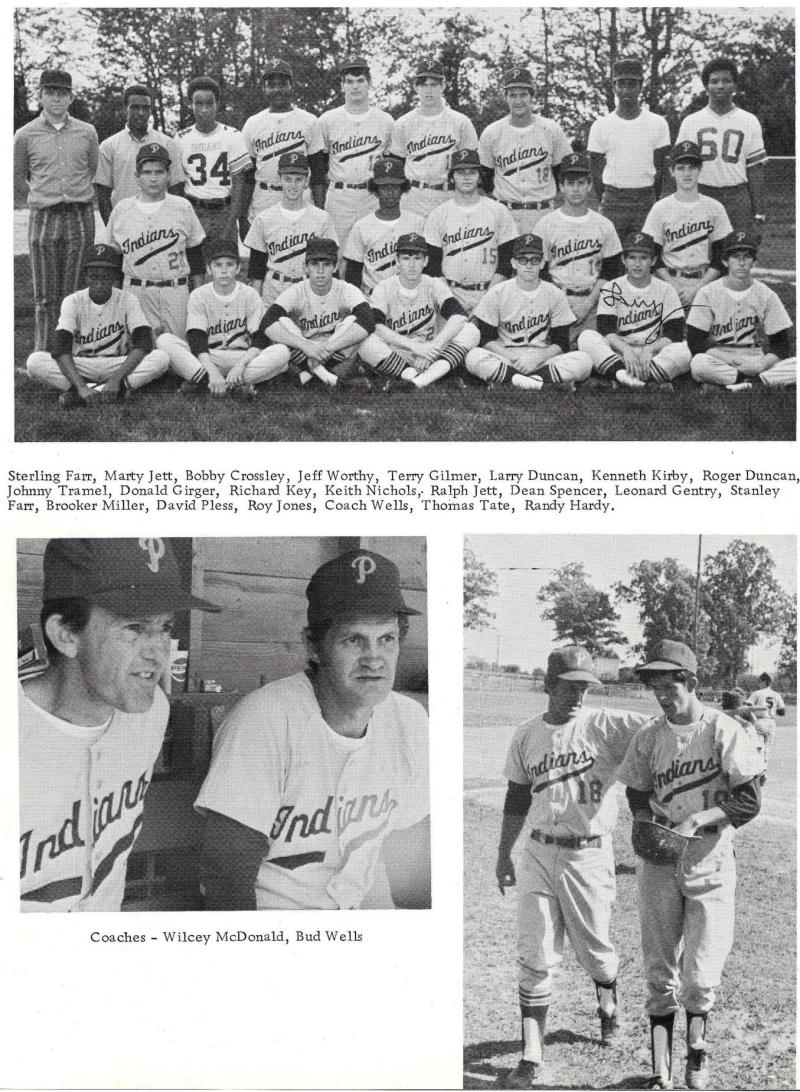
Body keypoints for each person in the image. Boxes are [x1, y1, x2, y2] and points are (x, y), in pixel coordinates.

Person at [195, 548, 430, 911]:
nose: (374, 658)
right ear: (313, 646)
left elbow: (409, 853)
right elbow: (226, 876)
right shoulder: (265, 719)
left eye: (387, 639)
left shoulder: (410, 721)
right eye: (354, 639)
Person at [19, 537, 219, 912]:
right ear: (65, 634)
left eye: (165, 627)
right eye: (134, 627)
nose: (159, 651)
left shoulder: (151, 712)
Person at [495, 646, 650, 1088]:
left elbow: (664, 730)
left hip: (590, 854)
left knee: (597, 953)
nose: (579, 694)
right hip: (539, 853)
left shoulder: (608, 725)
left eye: (586, 686)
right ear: (547, 685)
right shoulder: (526, 734)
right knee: (536, 954)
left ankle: (608, 1005)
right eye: (570, 686)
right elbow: (516, 798)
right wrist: (503, 853)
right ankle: (531, 1054)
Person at [617, 639, 765, 1090]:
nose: (662, 695)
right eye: (655, 686)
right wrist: (647, 820)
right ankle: (660, 1067)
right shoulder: (649, 736)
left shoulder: (723, 730)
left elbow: (749, 799)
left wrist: (701, 818)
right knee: (659, 971)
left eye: (670, 685)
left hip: (710, 862)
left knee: (700, 979)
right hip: (661, 862)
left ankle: (697, 1053)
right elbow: (637, 790)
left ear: (693, 682)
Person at [14, 68, 99, 353]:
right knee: (45, 295)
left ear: (71, 97)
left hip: (79, 215)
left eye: (62, 93)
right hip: (44, 217)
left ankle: (75, 352)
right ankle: (44, 355)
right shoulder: (25, 134)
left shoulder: (87, 132)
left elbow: (93, 169)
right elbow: (16, 177)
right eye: (49, 93)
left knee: (74, 291)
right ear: (39, 96)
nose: (56, 99)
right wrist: (41, 197)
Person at [25, 243, 169, 408]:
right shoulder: (73, 301)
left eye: (105, 277)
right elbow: (60, 349)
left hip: (116, 363)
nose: (99, 283)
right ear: (86, 276)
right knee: (35, 361)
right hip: (81, 363)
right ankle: (103, 392)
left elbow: (144, 343)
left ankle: (86, 394)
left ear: (115, 276)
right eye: (94, 277)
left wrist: (115, 380)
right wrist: (81, 386)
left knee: (161, 358)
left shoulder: (128, 299)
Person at [451, 232, 594, 391]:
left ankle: (512, 380)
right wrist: (514, 359)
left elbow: (561, 343)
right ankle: (540, 384)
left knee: (584, 360)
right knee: (473, 356)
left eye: (535, 260)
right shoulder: (498, 292)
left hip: (542, 358)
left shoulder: (555, 294)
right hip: (507, 356)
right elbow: (485, 339)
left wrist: (538, 358)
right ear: (513, 263)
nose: (529, 265)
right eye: (523, 259)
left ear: (542, 263)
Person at [156, 236, 290, 399]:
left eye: (230, 264)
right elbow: (196, 339)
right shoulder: (199, 295)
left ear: (238, 268)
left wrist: (240, 365)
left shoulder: (250, 294)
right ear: (209, 269)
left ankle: (203, 383)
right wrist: (213, 372)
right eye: (218, 265)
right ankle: (232, 385)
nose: (224, 270)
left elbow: (260, 338)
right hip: (209, 356)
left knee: (282, 352)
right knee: (164, 341)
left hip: (241, 357)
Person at [100, 142, 206, 337]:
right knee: (139, 353)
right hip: (135, 291)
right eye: (147, 173)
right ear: (137, 177)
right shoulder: (122, 209)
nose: (153, 178)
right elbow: (111, 259)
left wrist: (198, 296)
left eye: (159, 172)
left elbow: (195, 254)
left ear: (168, 176)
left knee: (179, 351)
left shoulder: (182, 207)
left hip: (176, 291)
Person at [259, 235, 375, 390]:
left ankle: (309, 375)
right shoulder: (297, 290)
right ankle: (330, 379)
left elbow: (368, 320)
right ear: (306, 267)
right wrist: (306, 346)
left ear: (335, 267)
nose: (320, 271)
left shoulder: (346, 289)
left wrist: (329, 348)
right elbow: (267, 322)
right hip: (304, 354)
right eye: (314, 264)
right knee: (281, 322)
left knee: (353, 321)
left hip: (336, 357)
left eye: (326, 264)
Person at [577, 232, 691, 388]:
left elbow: (674, 333)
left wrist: (650, 350)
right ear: (624, 260)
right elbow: (606, 329)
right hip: (619, 352)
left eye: (643, 258)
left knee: (685, 349)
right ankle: (644, 381)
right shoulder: (611, 287)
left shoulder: (666, 289)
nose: (637, 264)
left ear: (653, 260)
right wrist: (626, 350)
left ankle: (620, 378)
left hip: (653, 354)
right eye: (632, 257)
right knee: (587, 337)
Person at [358, 231, 468, 390]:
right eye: (406, 258)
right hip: (398, 351)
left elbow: (459, 316)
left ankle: (416, 381)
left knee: (471, 330)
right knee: (365, 341)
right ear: (397, 261)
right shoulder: (384, 287)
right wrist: (415, 348)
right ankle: (419, 376)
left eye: (417, 258)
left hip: (431, 349)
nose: (411, 264)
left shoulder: (434, 284)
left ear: (426, 261)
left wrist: (433, 347)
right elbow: (377, 326)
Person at [687, 230, 796, 390]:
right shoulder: (707, 293)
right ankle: (754, 383)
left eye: (747, 256)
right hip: (720, 357)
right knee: (699, 364)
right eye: (736, 257)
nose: (742, 262)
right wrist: (732, 362)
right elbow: (695, 341)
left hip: (754, 358)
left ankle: (737, 383)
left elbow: (781, 344)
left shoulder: (766, 294)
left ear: (754, 262)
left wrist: (761, 365)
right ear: (725, 261)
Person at [536, 151, 623, 343]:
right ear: (561, 186)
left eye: (581, 183)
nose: (576, 189)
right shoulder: (546, 223)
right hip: (556, 302)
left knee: (595, 353)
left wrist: (588, 303)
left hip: (593, 303)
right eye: (570, 183)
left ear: (590, 185)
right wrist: (560, 303)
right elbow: (540, 272)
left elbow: (611, 272)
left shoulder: (604, 224)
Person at [676, 58, 767, 232]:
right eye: (714, 81)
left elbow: (755, 169)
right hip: (701, 193)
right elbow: (681, 168)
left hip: (737, 196)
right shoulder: (691, 122)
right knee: (700, 253)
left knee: (738, 252)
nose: (720, 86)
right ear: (706, 86)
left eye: (726, 81)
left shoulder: (748, 120)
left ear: (734, 85)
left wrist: (759, 214)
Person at [424, 148, 518, 315]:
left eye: (472, 172)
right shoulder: (438, 215)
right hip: (449, 294)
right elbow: (432, 265)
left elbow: (506, 261)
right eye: (460, 172)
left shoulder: (499, 211)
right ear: (452, 177)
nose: (466, 176)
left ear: (480, 176)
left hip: (490, 293)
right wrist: (450, 303)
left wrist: (486, 302)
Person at [478, 67, 572, 234]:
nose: (518, 100)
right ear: (506, 97)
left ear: (532, 96)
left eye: (523, 94)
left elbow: (563, 170)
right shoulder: (492, 132)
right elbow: (485, 174)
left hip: (542, 213)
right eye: (512, 95)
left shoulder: (551, 129)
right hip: (506, 213)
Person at [642, 141, 731, 312]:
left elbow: (722, 255)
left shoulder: (715, 207)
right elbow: (651, 255)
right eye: (681, 168)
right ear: (671, 171)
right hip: (668, 283)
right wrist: (673, 285)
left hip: (705, 283)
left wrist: (698, 288)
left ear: (700, 170)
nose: (687, 174)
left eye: (692, 168)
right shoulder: (660, 208)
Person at [587, 58, 671, 239]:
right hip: (613, 201)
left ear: (641, 86)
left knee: (645, 253)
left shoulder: (657, 123)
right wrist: (610, 196)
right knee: (611, 257)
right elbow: (596, 170)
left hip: (645, 199)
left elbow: (660, 169)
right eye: (621, 84)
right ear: (614, 87)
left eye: (632, 84)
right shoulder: (601, 125)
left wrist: (650, 197)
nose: (626, 90)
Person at [318, 55, 395, 249]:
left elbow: (393, 164)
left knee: (375, 250)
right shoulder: (328, 120)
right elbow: (319, 165)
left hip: (372, 196)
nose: (355, 86)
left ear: (369, 83)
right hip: (339, 196)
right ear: (342, 86)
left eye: (360, 80)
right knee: (336, 253)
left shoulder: (385, 121)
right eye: (349, 82)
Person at [245, 152, 338, 307]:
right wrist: (256, 306)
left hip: (310, 289)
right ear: (279, 179)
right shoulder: (264, 218)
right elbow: (256, 270)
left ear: (306, 181)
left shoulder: (322, 218)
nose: (293, 185)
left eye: (298, 179)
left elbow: (331, 267)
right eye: (288, 179)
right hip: (274, 290)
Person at [389, 59, 478, 220]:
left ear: (443, 86)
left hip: (448, 195)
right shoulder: (403, 123)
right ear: (416, 87)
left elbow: (471, 166)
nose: (428, 90)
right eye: (423, 84)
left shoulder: (460, 122)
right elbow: (397, 165)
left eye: (434, 84)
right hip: (413, 196)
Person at [240, 59, 325, 227]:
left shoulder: (309, 121)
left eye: (282, 84)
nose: (277, 90)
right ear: (264, 89)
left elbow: (318, 174)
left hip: (300, 197)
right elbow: (247, 177)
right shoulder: (253, 123)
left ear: (291, 86)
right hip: (264, 197)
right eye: (271, 85)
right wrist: (242, 218)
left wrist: (320, 213)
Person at [95, 83, 184, 223]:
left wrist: (173, 222)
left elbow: (176, 189)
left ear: (151, 110)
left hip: (161, 222)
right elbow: (103, 195)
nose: (141, 113)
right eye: (135, 107)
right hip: (125, 222)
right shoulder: (109, 146)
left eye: (146, 108)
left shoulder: (167, 143)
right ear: (126, 109)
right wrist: (113, 230)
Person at [174, 76, 251, 238]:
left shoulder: (233, 135)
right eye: (198, 104)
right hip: (194, 210)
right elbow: (177, 186)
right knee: (196, 263)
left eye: (209, 104)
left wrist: (231, 223)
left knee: (225, 261)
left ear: (217, 104)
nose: (204, 110)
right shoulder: (181, 138)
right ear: (191, 104)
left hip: (224, 211)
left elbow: (239, 186)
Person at [343, 157, 424, 295]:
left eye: (395, 187)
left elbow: (427, 268)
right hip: (373, 298)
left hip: (410, 298)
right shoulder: (361, 226)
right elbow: (353, 273)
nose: (390, 192)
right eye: (384, 187)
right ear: (376, 189)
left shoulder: (417, 223)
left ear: (403, 188)